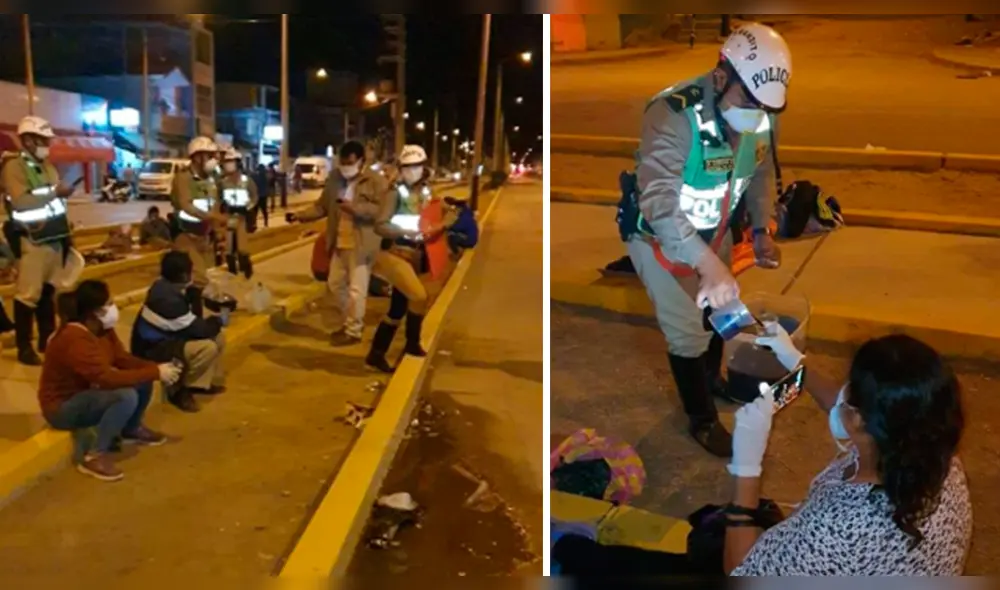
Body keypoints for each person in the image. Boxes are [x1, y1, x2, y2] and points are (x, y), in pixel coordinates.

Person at [553, 329, 971, 577]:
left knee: (614, 566)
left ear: (863, 419)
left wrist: (747, 465)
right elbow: (855, 407)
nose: (839, 396)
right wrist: (798, 365)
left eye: (849, 392)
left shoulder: (839, 528)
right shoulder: (938, 459)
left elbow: (741, 573)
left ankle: (568, 555)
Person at [617, 23, 790, 457]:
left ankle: (713, 380)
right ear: (720, 77)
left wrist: (760, 229)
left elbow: (761, 172)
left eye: (766, 109)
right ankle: (701, 417)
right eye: (747, 102)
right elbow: (657, 198)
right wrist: (704, 262)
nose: (757, 117)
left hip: (713, 235)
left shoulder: (760, 117)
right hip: (660, 239)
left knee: (723, 311)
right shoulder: (673, 114)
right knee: (687, 331)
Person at [38, 280, 181, 482]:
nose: (114, 307)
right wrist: (154, 372)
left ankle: (130, 428)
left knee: (142, 377)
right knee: (125, 396)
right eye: (109, 303)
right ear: (94, 311)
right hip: (63, 406)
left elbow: (121, 359)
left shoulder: (102, 329)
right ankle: (93, 456)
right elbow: (105, 378)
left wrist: (154, 368)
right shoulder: (73, 337)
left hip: (87, 394)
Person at [365, 144, 455, 373]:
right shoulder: (394, 193)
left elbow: (434, 214)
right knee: (418, 295)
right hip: (395, 252)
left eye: (416, 166)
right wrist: (404, 232)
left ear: (423, 168)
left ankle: (380, 352)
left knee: (398, 307)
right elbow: (380, 226)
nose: (411, 171)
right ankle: (410, 344)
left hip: (417, 253)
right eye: (407, 167)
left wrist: (446, 217)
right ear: (400, 169)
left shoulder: (426, 192)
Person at [288, 140, 386, 346]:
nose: (346, 166)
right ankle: (350, 320)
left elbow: (382, 211)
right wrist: (299, 216)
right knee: (334, 285)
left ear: (361, 161)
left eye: (350, 162)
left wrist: (355, 209)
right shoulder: (335, 178)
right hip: (339, 241)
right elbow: (321, 207)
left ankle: (354, 330)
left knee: (357, 290)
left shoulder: (375, 181)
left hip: (361, 243)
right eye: (342, 162)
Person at [1, 115, 80, 366]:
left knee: (49, 292)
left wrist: (68, 236)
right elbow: (21, 202)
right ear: (27, 140)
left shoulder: (48, 166)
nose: (48, 144)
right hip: (32, 240)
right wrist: (56, 192)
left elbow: (57, 203)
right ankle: (25, 347)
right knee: (28, 295)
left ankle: (47, 340)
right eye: (43, 140)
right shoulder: (14, 167)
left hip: (55, 237)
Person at [130, 251, 227, 414]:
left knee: (218, 338)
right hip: (152, 347)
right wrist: (218, 320)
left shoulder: (167, 287)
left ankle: (199, 384)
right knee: (207, 347)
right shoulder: (167, 299)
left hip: (167, 337)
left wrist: (195, 297)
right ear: (183, 275)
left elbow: (193, 322)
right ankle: (179, 390)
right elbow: (199, 329)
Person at [171, 136, 226, 319]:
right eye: (208, 155)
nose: (212, 159)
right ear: (196, 157)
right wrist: (213, 216)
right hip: (185, 235)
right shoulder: (183, 177)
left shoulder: (211, 179)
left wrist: (217, 229)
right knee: (199, 278)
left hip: (204, 235)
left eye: (213, 155)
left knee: (198, 281)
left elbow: (216, 203)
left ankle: (195, 318)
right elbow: (185, 205)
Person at [217, 147, 258, 279]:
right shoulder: (223, 183)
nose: (228, 164)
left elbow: (254, 197)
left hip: (242, 216)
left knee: (242, 247)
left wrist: (248, 208)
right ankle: (231, 270)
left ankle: (246, 270)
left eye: (231, 161)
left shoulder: (247, 181)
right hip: (229, 215)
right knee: (228, 247)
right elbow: (219, 199)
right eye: (226, 162)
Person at [252, 163, 271, 229]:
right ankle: (265, 223)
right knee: (264, 210)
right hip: (263, 195)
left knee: (255, 211)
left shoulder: (256, 177)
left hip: (258, 196)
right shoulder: (265, 177)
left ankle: (254, 223)